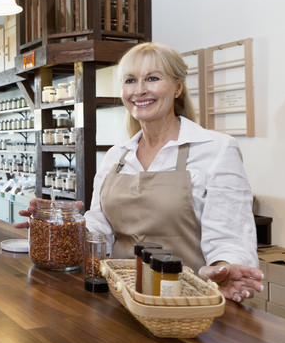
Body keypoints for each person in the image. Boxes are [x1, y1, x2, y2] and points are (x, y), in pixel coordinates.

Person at [18, 42, 263, 302]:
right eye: (130, 80)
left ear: (178, 87)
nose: (139, 90)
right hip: (122, 298)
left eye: (153, 78)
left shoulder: (216, 149)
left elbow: (231, 236)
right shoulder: (117, 155)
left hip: (188, 301)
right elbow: (100, 229)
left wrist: (224, 268)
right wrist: (58, 222)